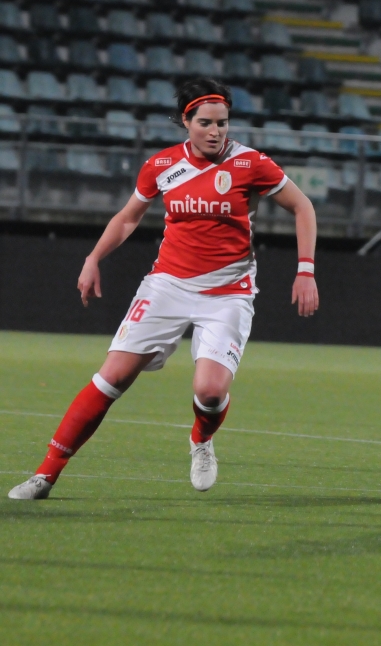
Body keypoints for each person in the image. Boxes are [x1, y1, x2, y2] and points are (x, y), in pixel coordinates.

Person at [8, 78, 319, 500]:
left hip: (228, 292)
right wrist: (93, 258)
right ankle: (45, 474)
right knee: (110, 378)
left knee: (210, 391)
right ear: (186, 122)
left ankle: (201, 440)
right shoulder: (161, 166)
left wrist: (305, 269)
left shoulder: (252, 164)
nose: (216, 132)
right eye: (206, 123)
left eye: (223, 123)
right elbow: (128, 217)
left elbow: (303, 206)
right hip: (167, 285)